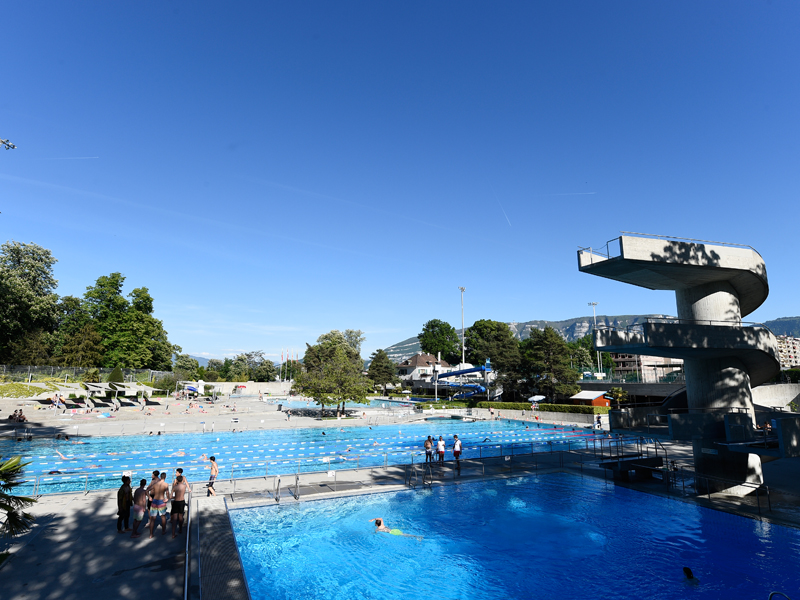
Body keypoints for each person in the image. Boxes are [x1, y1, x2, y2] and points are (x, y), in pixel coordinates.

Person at [147, 473, 170, 539]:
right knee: (163, 517)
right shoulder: (166, 484)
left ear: (160, 477)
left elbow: (147, 490)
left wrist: (149, 497)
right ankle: (163, 531)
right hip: (161, 501)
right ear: (165, 477)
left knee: (152, 519)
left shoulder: (155, 484)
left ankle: (151, 534)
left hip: (154, 501)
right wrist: (167, 498)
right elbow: (167, 493)